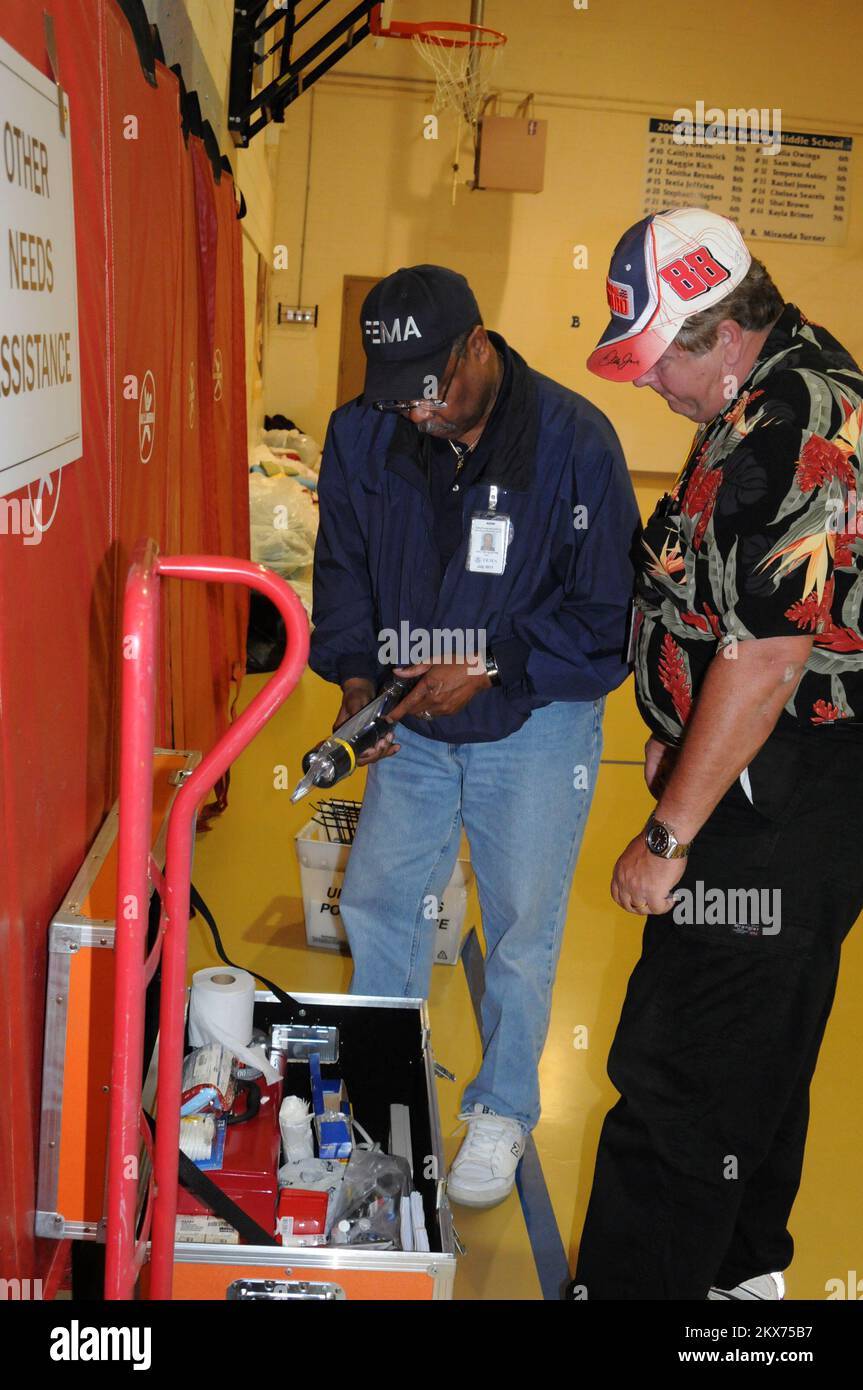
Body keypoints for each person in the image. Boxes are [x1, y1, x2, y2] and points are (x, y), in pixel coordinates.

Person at [573, 207, 863, 1299]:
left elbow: (767, 660)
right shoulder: (763, 391)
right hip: (780, 777)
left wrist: (664, 835)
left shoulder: (790, 423)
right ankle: (742, 1275)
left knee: (677, 1069)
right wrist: (681, 733)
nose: (646, 385)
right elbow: (721, 602)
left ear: (719, 331)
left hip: (785, 797)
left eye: (655, 363)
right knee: (763, 1051)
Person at [310, 264, 639, 1208]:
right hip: (410, 721)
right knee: (378, 904)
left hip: (534, 722)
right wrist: (360, 685)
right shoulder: (363, 431)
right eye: (399, 396)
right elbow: (342, 569)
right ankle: (381, 1089)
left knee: (522, 928)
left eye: (434, 390)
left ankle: (499, 1110)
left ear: (476, 348)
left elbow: (608, 615)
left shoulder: (576, 442)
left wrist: (495, 663)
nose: (418, 414)